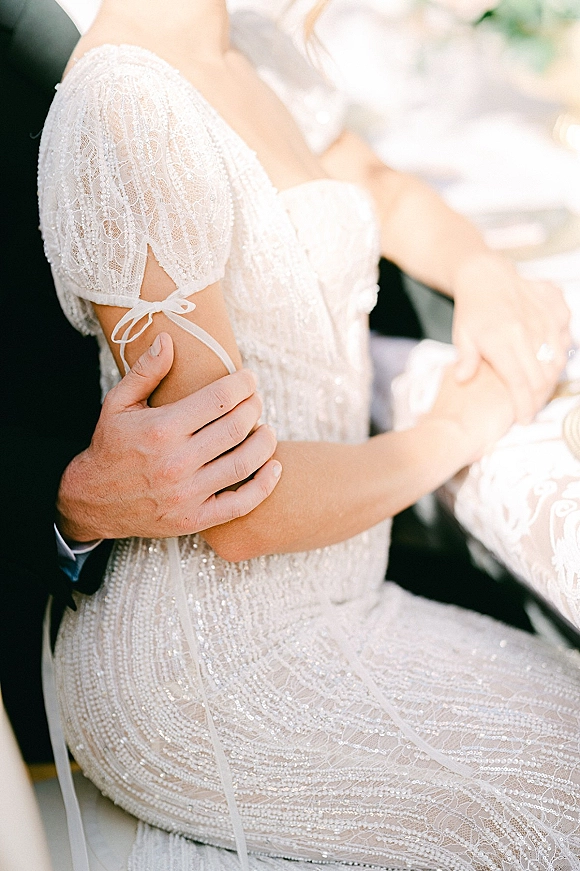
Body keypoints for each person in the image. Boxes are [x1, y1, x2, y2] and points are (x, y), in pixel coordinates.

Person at [38, 0, 580, 867]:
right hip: (208, 665)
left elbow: (383, 188)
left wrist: (482, 271)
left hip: (348, 599)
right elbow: (243, 506)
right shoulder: (123, 109)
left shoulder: (256, 52)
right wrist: (459, 426)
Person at [0, 0, 279, 763]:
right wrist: (61, 496)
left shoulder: (240, 33)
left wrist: (474, 290)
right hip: (115, 630)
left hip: (310, 539)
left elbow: (314, 238)